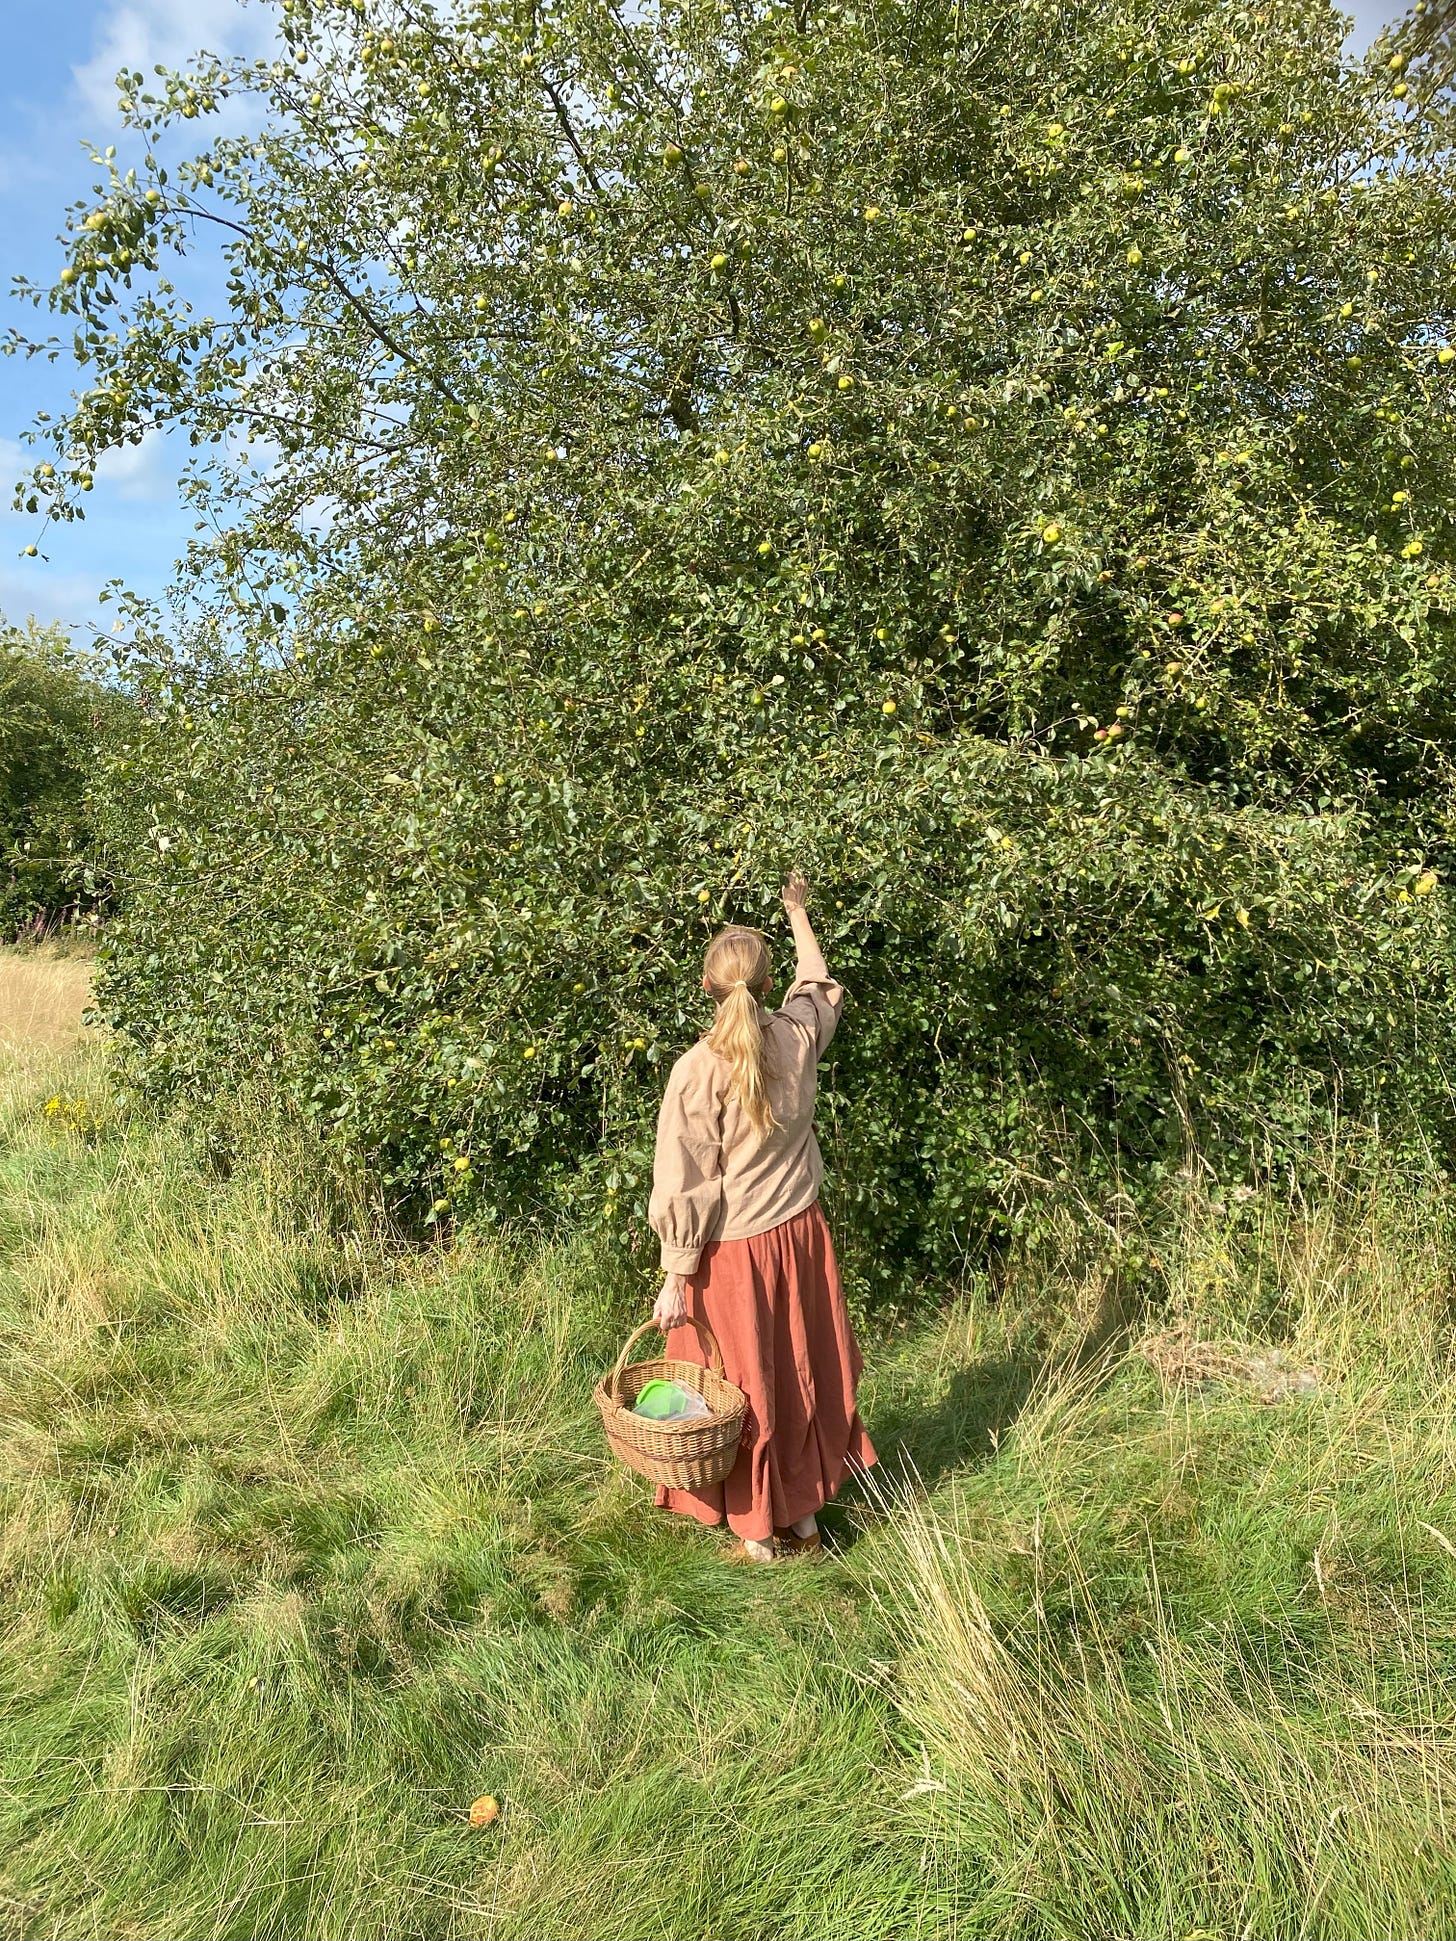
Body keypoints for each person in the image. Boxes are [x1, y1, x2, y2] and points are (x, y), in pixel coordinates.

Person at [646, 870, 877, 1562]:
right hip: (800, 1237)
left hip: (735, 1255)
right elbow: (819, 984)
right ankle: (803, 1514)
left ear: (707, 988)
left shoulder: (697, 1069)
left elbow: (685, 1182)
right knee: (801, 1367)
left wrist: (676, 1275)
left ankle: (757, 1529)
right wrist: (798, 914)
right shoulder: (797, 1040)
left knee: (739, 1387)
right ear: (767, 986)